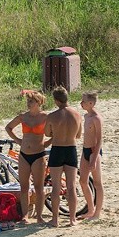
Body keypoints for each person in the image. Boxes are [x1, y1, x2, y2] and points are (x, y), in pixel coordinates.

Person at [5, 90, 50, 222]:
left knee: (38, 187)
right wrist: (18, 140)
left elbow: (55, 132)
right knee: (24, 187)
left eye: (30, 101)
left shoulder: (45, 117)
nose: (28, 103)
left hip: (39, 154)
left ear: (38, 102)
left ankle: (40, 216)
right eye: (27, 101)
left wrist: (46, 143)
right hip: (24, 154)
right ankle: (25, 215)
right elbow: (8, 127)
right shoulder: (23, 117)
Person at [45, 86, 83, 227]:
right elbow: (78, 135)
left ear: (56, 100)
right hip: (71, 149)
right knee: (71, 186)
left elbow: (47, 133)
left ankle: (55, 219)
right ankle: (72, 219)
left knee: (56, 186)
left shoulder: (52, 116)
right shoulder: (77, 115)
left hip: (57, 149)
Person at [79, 92, 104, 220]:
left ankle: (97, 213)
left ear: (91, 103)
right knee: (82, 181)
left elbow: (99, 139)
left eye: (83, 101)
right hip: (85, 150)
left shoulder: (96, 118)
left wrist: (94, 159)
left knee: (97, 183)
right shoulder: (86, 116)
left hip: (94, 151)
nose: (81, 103)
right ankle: (90, 209)